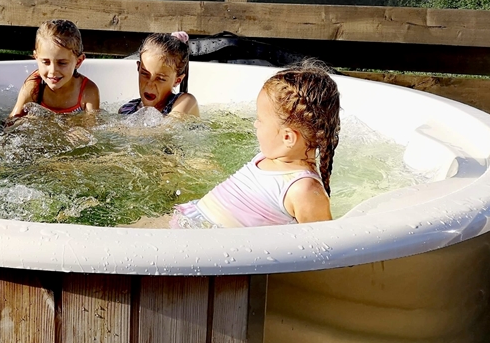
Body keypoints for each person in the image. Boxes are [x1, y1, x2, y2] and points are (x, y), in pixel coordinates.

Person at [172, 61, 340, 228]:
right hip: (192, 217)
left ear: (287, 138)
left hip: (204, 237)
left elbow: (324, 241)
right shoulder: (269, 157)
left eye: (260, 120)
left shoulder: (303, 190)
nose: (255, 124)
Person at [9, 19, 100, 118]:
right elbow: (11, 122)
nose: (52, 71)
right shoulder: (33, 86)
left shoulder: (88, 91)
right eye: (46, 62)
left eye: (62, 63)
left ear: (78, 62)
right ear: (36, 57)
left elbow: (92, 125)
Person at [119, 31, 199, 117]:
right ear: (138, 68)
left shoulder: (186, 102)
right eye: (145, 74)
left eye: (161, 78)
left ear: (177, 80)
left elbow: (171, 123)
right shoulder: (127, 110)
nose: (150, 85)